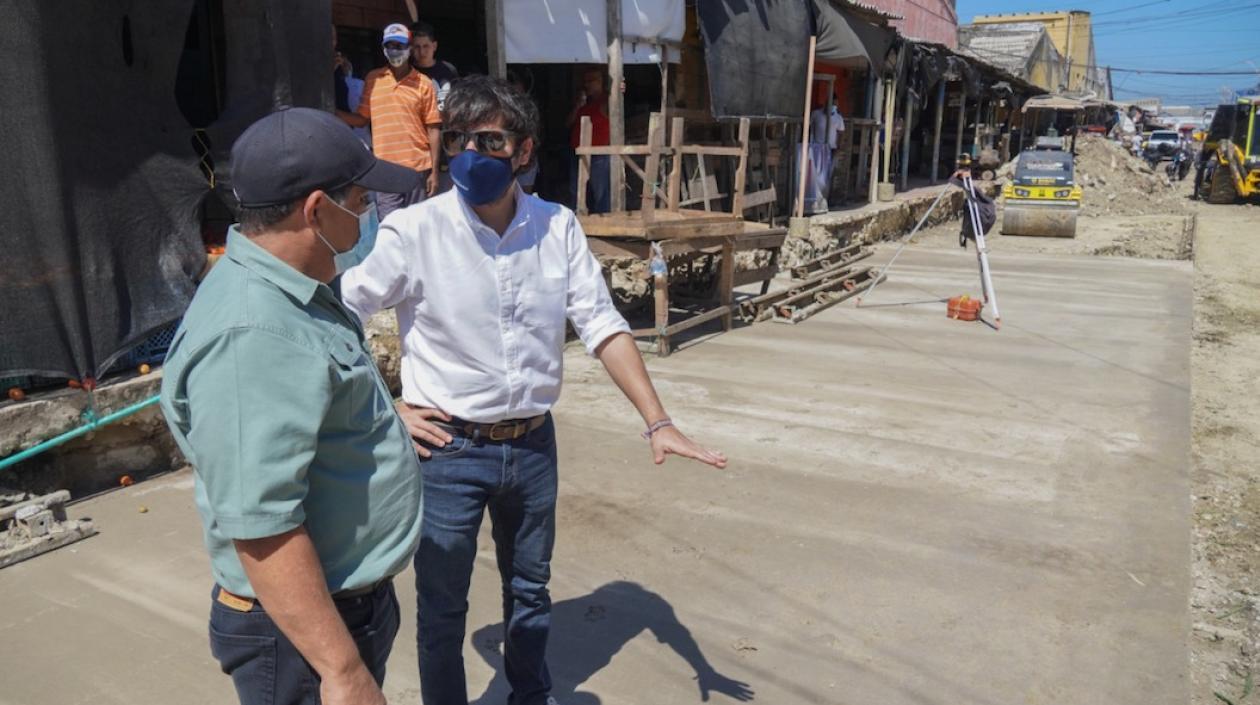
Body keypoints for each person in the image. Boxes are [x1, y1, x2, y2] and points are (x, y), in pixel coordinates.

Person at [340, 75, 727, 705]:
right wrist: (387, 408)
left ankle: (529, 696)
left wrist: (658, 420)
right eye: (459, 139)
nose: (469, 153)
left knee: (530, 593)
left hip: (531, 447)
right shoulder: (414, 232)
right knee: (442, 610)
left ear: (523, 151)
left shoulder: (557, 227)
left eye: (489, 140)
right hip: (448, 455)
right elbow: (338, 314)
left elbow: (602, 324)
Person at [159, 107, 425, 705]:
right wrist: (342, 670)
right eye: (359, 201)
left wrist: (379, 422)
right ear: (316, 210)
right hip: (301, 636)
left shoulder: (296, 291)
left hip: (336, 609)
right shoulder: (255, 332)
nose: (367, 215)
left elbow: (313, 401)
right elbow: (262, 525)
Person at [342, 23, 442, 219]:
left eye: (400, 46)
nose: (395, 51)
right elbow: (362, 119)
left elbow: (434, 129)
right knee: (389, 230)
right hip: (385, 170)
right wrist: (332, 112)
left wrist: (435, 173)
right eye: (391, 46)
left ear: (409, 48)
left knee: (417, 228)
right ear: (383, 49)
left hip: (418, 169)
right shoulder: (373, 79)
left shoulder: (424, 83)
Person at [566, 68, 611, 213]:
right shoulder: (583, 103)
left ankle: (605, 225)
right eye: (585, 82)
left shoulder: (607, 101)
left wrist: (619, 89)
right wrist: (578, 105)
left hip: (598, 154)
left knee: (601, 193)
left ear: (601, 82)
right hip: (578, 153)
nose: (587, 85)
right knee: (576, 191)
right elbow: (567, 124)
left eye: (591, 81)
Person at [409, 22, 459, 114]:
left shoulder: (448, 69)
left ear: (434, 46)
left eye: (426, 46)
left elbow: (457, 101)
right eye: (417, 47)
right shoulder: (407, 73)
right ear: (411, 48)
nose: (422, 52)